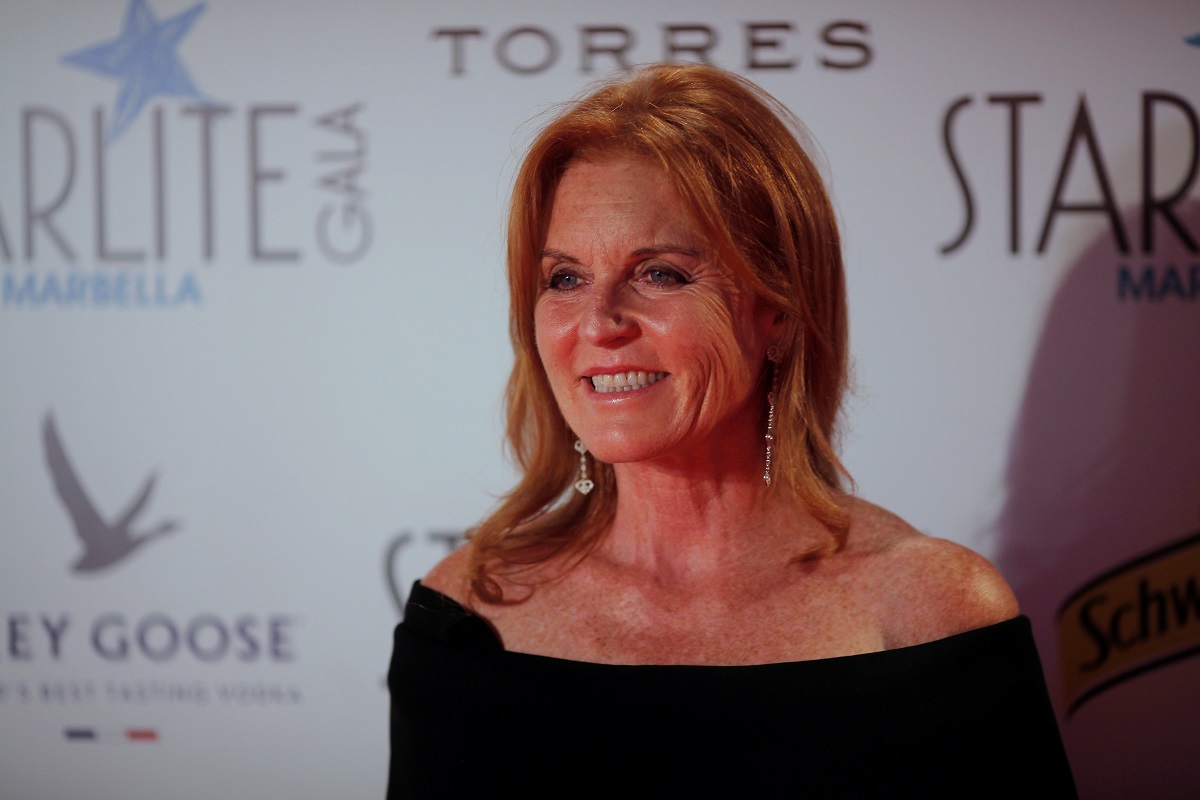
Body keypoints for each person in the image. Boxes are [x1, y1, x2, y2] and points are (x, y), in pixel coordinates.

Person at [388, 63, 1076, 797]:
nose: (598, 322)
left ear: (778, 312)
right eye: (565, 279)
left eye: (658, 273)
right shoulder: (470, 614)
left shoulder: (927, 612)